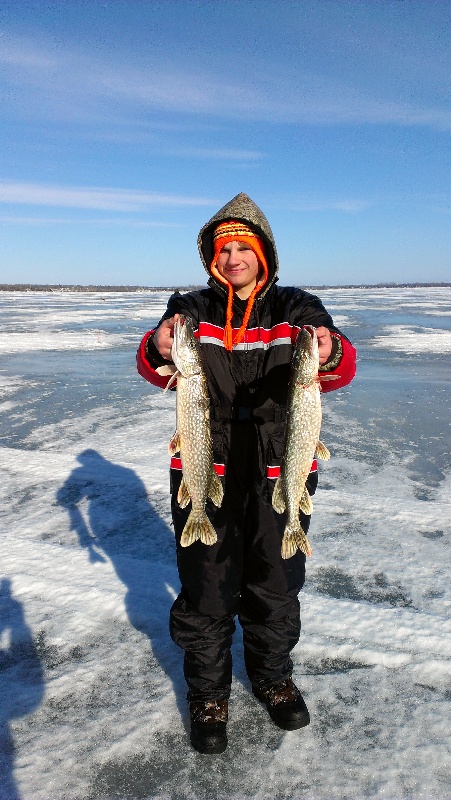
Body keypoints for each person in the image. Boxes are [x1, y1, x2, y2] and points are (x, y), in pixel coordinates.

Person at [137, 193, 356, 754]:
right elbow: (155, 356)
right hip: (204, 459)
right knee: (207, 580)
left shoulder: (297, 306)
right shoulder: (192, 309)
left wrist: (327, 351)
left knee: (277, 580)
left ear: (264, 254)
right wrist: (158, 343)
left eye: (244, 247)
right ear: (212, 256)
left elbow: (339, 362)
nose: (233, 257)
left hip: (279, 460)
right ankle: (210, 693)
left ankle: (272, 678)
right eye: (223, 248)